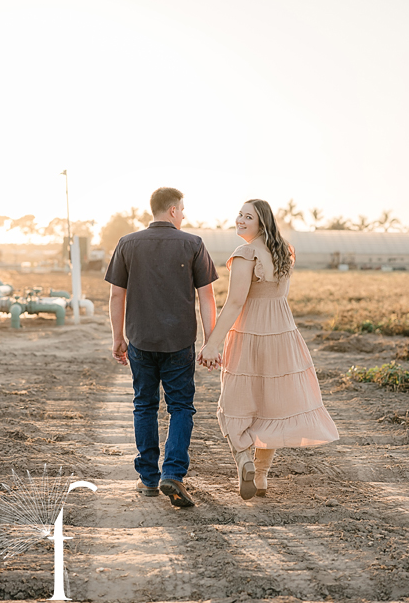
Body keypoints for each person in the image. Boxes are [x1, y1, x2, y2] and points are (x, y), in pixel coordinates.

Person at [198, 199, 339, 500]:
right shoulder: (284, 250)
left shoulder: (245, 253)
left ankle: (244, 460)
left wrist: (211, 344)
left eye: (247, 217)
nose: (240, 220)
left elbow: (236, 302)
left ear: (261, 223)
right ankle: (260, 479)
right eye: (239, 214)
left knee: (234, 404)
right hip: (282, 335)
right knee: (270, 407)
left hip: (250, 334)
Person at [105, 187, 219, 508]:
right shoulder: (193, 244)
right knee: (180, 407)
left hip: (140, 340)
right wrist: (211, 341)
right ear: (172, 210)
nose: (184, 215)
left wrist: (118, 338)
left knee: (144, 405)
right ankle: (173, 473)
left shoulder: (127, 244)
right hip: (179, 342)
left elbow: (117, 296)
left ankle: (148, 480)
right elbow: (206, 298)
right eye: (182, 209)